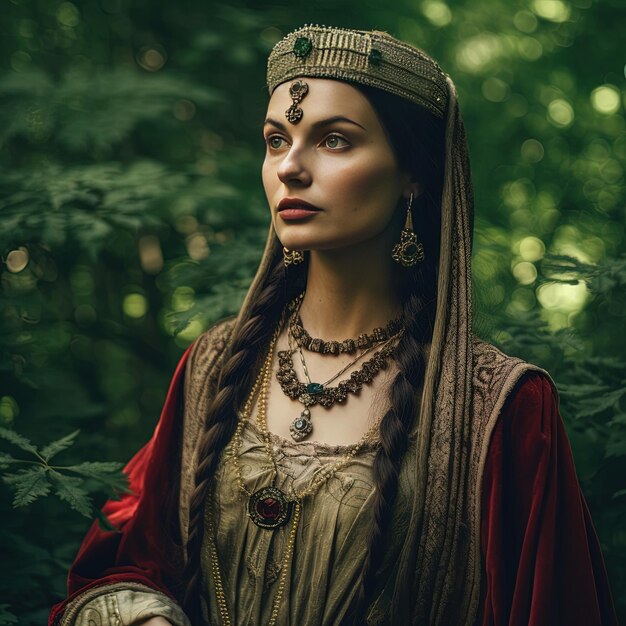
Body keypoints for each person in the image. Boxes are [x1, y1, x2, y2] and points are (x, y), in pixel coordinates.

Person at [49, 25, 617, 626]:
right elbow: (130, 557)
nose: (290, 167)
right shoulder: (216, 365)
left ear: (412, 174)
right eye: (275, 140)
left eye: (335, 141)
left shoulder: (501, 408)